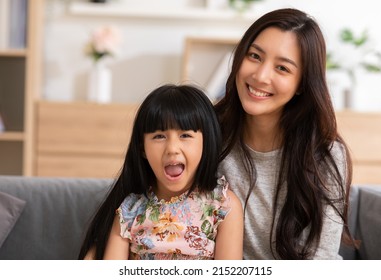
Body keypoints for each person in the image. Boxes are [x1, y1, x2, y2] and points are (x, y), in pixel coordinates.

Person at [215, 8, 355, 259]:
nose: (260, 76)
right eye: (255, 56)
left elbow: (321, 258)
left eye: (282, 68)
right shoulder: (207, 133)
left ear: (302, 83)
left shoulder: (325, 154)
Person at [79, 84, 243, 260]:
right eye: (159, 136)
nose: (172, 148)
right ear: (142, 148)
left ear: (206, 143)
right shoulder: (130, 209)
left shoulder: (223, 206)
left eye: (185, 135)